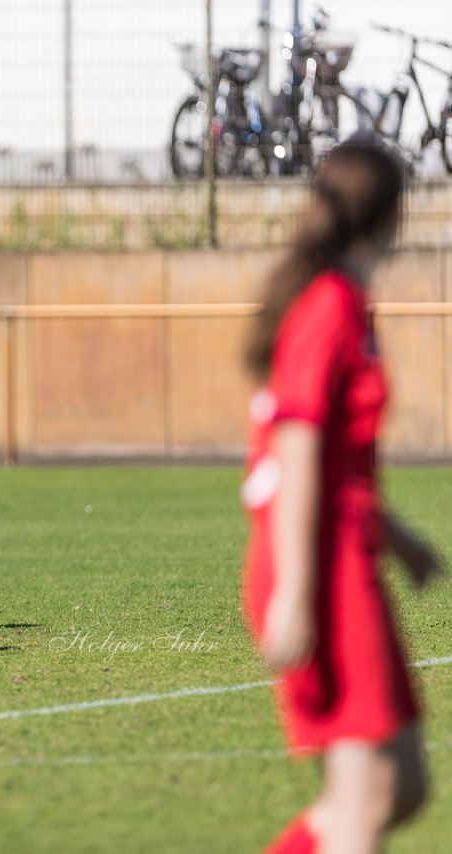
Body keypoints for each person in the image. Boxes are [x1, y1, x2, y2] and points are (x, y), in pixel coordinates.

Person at [241, 138, 443, 853]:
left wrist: (398, 536)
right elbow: (297, 447)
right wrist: (297, 591)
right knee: (361, 808)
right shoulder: (328, 306)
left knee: (406, 787)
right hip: (319, 572)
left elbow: (336, 463)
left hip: (347, 558)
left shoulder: (348, 302)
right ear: (392, 215)